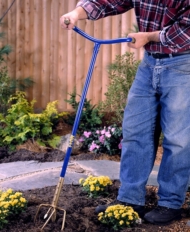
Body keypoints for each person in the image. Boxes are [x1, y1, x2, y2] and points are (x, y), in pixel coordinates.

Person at [60, 0, 190, 226]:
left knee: (177, 139)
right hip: (149, 64)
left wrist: (149, 37)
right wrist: (76, 13)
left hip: (182, 64)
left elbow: (185, 31)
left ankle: (170, 203)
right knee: (135, 131)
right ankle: (130, 200)